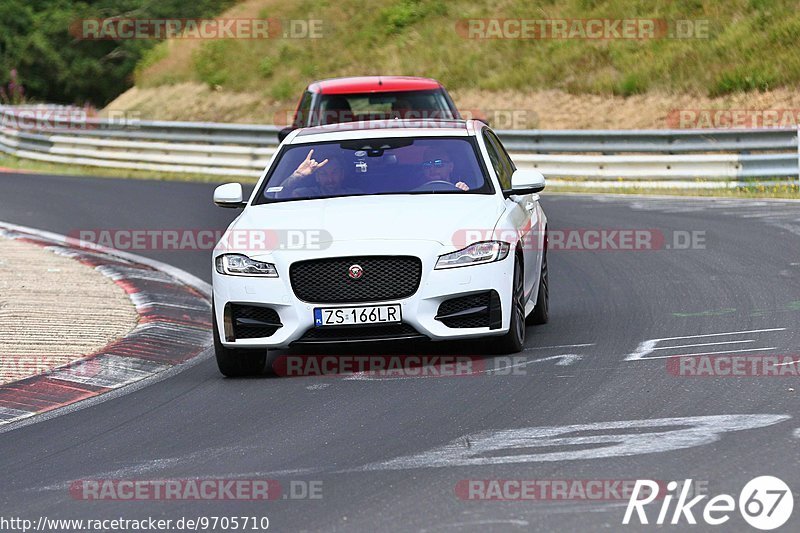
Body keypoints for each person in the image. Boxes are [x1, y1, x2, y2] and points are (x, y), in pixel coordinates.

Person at [279, 149, 361, 198]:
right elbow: (279, 195)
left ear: (342, 174)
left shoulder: (356, 195)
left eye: (334, 172)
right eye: (323, 174)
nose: (330, 179)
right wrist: (297, 176)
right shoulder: (304, 194)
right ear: (317, 177)